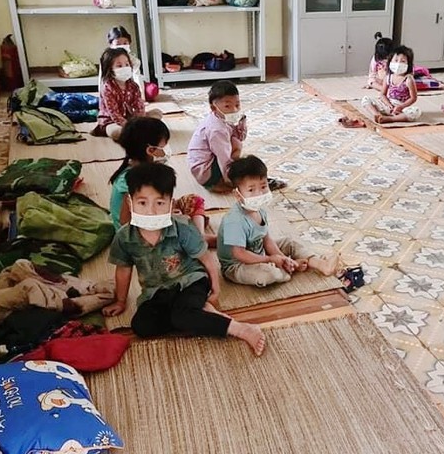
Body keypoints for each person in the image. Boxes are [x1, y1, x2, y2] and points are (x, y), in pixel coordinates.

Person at [102, 162, 265, 356]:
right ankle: (199, 312)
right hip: (156, 291)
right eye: (142, 203)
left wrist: (215, 288)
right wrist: (120, 301)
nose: (151, 211)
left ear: (171, 204)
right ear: (130, 203)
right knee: (142, 326)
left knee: (181, 316)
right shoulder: (124, 237)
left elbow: (206, 258)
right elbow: (123, 269)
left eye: (159, 203)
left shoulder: (182, 227)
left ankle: (240, 328)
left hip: (191, 281)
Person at [217, 155, 340, 287]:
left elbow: (267, 240)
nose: (259, 194)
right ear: (238, 194)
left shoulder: (259, 210)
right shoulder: (234, 220)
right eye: (251, 190)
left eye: (263, 186)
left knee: (289, 243)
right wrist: (269, 259)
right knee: (268, 274)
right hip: (238, 266)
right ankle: (286, 270)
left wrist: (284, 259)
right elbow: (239, 254)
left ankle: (321, 264)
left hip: (259, 251)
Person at [108, 117, 214, 246]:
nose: (167, 149)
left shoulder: (144, 170)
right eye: (164, 146)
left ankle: (199, 236)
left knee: (193, 200)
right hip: (139, 234)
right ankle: (197, 240)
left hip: (152, 216)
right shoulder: (131, 182)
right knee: (180, 224)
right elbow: (127, 222)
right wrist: (170, 217)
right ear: (150, 150)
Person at [187, 80, 286, 193]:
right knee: (239, 153)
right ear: (213, 108)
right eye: (227, 106)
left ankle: (247, 180)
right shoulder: (216, 129)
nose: (234, 110)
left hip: (204, 165)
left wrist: (241, 123)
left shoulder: (220, 118)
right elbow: (223, 158)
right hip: (205, 171)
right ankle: (219, 183)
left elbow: (240, 137)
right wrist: (230, 180)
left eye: (237, 105)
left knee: (236, 143)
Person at [92, 48, 161, 140]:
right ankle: (133, 132)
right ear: (110, 69)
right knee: (116, 132)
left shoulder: (133, 86)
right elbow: (114, 114)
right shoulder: (107, 88)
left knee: (157, 113)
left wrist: (140, 121)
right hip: (111, 122)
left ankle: (135, 131)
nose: (125, 68)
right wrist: (130, 126)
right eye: (119, 66)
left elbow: (139, 105)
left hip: (129, 117)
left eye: (127, 64)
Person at [361, 45, 421, 124]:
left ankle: (390, 119)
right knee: (365, 99)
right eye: (396, 60)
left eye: (403, 61)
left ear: (409, 64)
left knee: (415, 111)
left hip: (402, 107)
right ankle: (377, 115)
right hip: (387, 105)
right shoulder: (388, 77)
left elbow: (413, 98)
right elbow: (382, 94)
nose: (398, 63)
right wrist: (388, 104)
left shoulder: (409, 79)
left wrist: (401, 106)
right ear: (390, 62)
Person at [99, 26, 144, 94]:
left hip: (130, 87)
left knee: (151, 89)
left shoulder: (134, 60)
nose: (122, 46)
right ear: (111, 45)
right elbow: (102, 80)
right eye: (118, 44)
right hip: (113, 88)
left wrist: (142, 95)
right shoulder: (107, 60)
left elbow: (137, 77)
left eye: (125, 43)